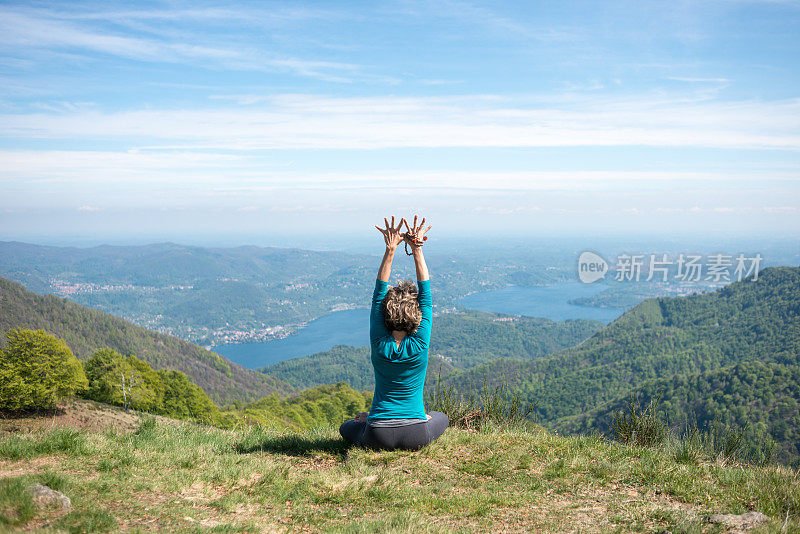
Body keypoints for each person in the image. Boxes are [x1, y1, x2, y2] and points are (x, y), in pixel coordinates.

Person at [339, 215, 449, 450]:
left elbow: (379, 293)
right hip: (417, 433)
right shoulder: (420, 342)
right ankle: (422, 416)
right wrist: (416, 249)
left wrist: (391, 249)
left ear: (385, 313)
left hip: (377, 433)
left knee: (347, 427)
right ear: (417, 314)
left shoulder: (379, 342)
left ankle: (370, 418)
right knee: (441, 416)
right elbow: (426, 295)